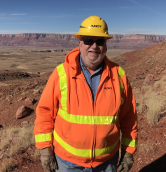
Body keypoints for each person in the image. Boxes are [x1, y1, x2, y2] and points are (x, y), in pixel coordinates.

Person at [34, 16, 138, 172]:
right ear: (80, 44)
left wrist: (128, 153)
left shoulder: (119, 76)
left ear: (106, 46)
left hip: (107, 161)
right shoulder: (61, 74)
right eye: (88, 40)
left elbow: (129, 118)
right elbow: (45, 113)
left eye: (100, 41)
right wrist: (44, 150)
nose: (94, 46)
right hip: (67, 162)